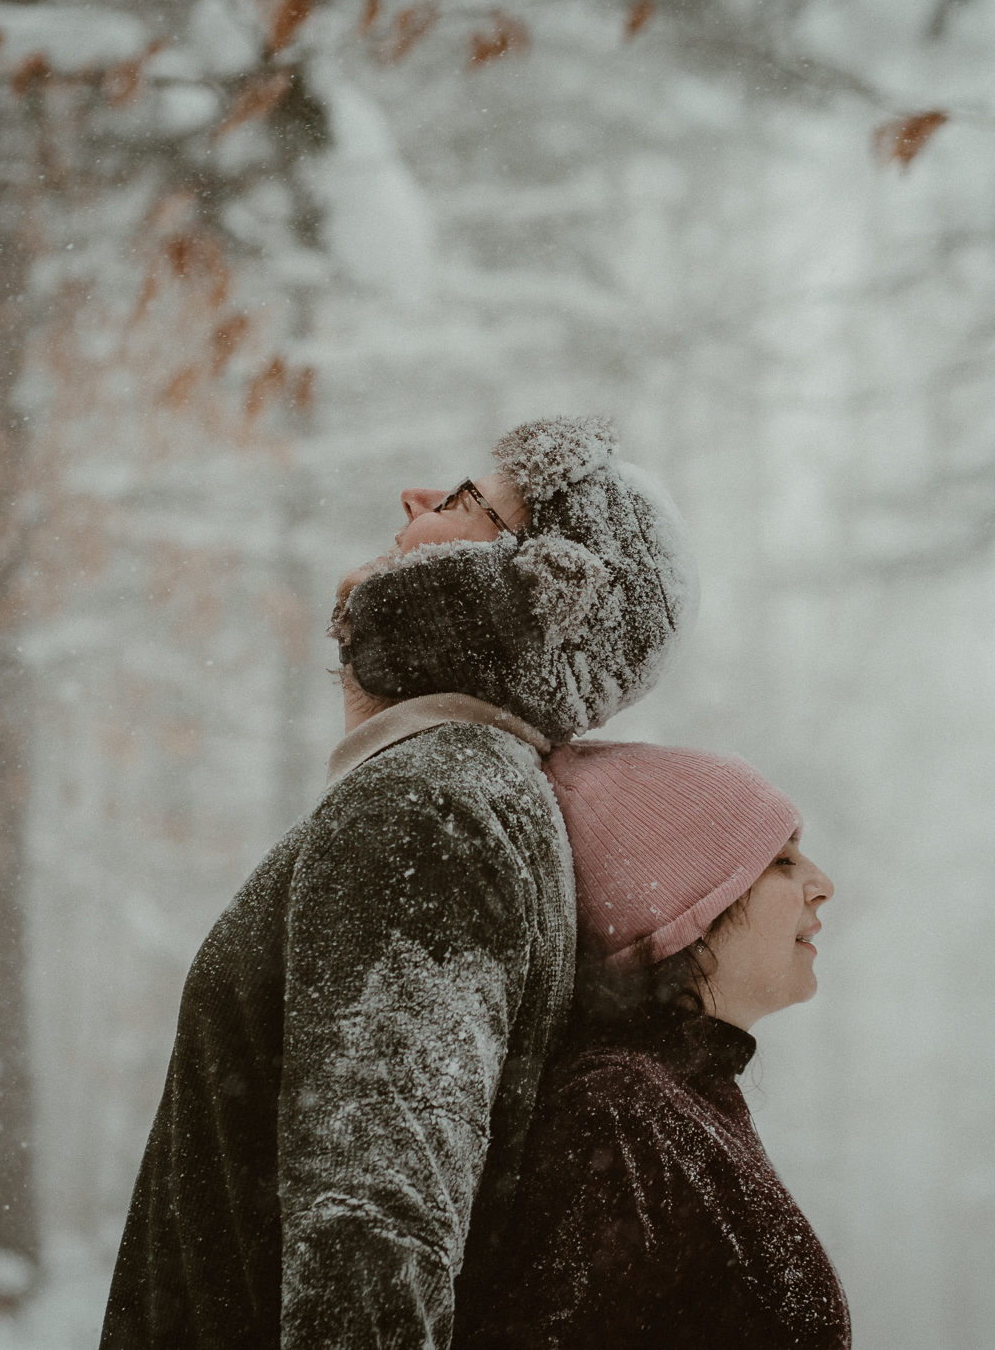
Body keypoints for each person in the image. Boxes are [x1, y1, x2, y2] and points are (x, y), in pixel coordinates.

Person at [99, 417, 696, 1349]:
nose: (413, 497)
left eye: (466, 500)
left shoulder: (435, 805)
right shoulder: (466, 788)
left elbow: (373, 1238)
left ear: (543, 586)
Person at [469, 742, 852, 1350]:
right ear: (685, 914)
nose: (821, 883)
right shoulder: (615, 1114)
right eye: (781, 860)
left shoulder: (673, 1103)